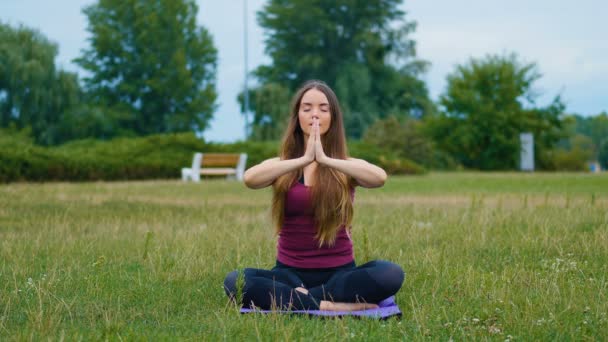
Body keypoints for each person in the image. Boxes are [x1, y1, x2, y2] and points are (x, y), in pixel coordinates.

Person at [223, 80, 404, 311]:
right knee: (235, 282)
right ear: (297, 117)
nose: (314, 115)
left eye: (323, 108)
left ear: (333, 117)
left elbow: (379, 178)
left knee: (390, 274)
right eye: (306, 108)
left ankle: (301, 300)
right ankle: (331, 306)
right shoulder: (283, 166)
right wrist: (304, 160)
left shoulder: (344, 166)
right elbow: (250, 179)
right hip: (289, 275)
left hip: (340, 275)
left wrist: (326, 160)